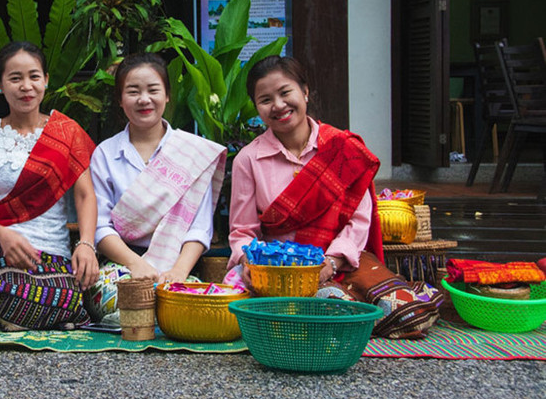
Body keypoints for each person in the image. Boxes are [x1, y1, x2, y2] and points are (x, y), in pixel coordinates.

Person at [227, 55, 442, 338]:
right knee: (331, 312)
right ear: (256, 107)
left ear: (305, 91)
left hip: (342, 261)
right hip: (283, 273)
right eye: (265, 100)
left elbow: (359, 220)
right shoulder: (248, 160)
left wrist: (330, 262)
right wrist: (250, 263)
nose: (278, 106)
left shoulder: (343, 149)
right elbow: (242, 232)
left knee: (408, 315)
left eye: (285, 93)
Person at [86, 54, 227, 324]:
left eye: (153, 90)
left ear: (167, 96)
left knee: (200, 302)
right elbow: (99, 227)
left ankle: (141, 317)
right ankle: (157, 318)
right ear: (120, 100)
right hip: (123, 266)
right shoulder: (106, 153)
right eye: (133, 91)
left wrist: (178, 271)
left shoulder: (193, 152)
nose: (144, 99)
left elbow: (199, 228)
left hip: (177, 267)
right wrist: (136, 265)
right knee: (110, 295)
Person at [0, 41, 99, 330]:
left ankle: (26, 316)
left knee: (65, 295)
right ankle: (54, 317)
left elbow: (85, 195)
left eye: (34, 76)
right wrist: (4, 236)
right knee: (9, 292)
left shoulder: (67, 132)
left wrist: (87, 245)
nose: (26, 86)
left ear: (46, 81)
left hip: (56, 256)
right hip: (5, 253)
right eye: (15, 78)